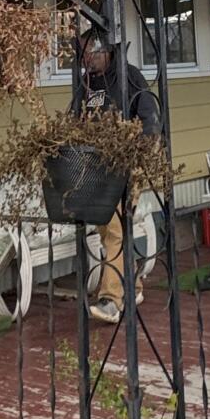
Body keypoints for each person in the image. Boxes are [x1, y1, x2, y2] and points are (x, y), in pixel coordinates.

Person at [72, 26, 160, 324]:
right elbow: (75, 120)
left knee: (114, 228)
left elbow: (149, 116)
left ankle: (111, 299)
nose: (86, 59)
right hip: (95, 167)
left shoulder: (128, 76)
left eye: (90, 52)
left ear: (105, 50)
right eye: (82, 54)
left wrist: (141, 151)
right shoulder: (87, 83)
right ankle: (133, 286)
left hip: (126, 165)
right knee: (108, 228)